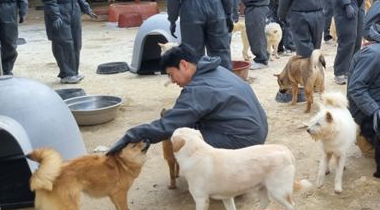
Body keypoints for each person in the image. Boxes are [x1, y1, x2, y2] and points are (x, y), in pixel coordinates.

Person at [107, 45, 267, 153]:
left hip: (243, 140)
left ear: (183, 65)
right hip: (256, 131)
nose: (172, 81)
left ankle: (220, 182)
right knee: (183, 121)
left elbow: (167, 126)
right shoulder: (215, 69)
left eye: (171, 74)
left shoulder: (197, 89)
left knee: (182, 140)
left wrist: (131, 136)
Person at [39, 0, 99, 84]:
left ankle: (74, 71)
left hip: (74, 12)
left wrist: (87, 9)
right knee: (64, 44)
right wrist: (55, 16)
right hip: (59, 13)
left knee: (76, 43)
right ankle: (67, 73)